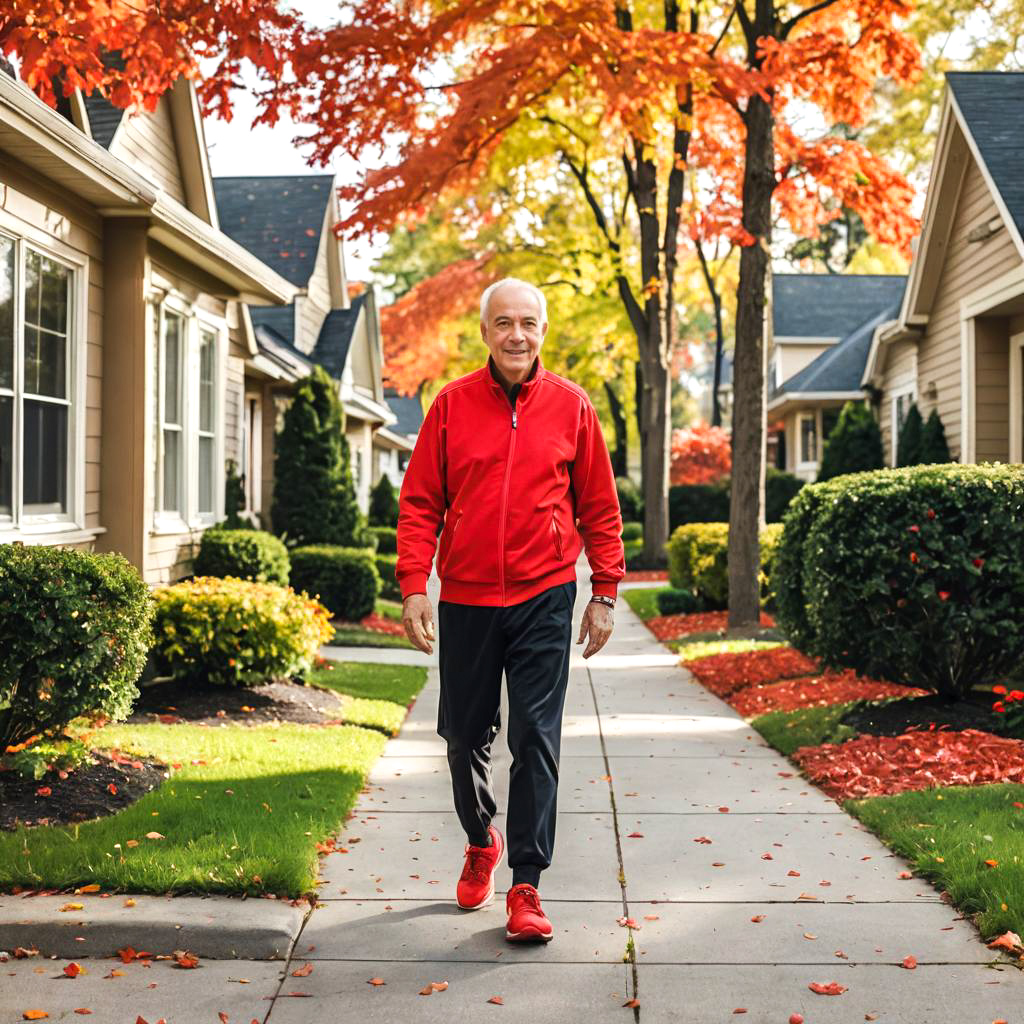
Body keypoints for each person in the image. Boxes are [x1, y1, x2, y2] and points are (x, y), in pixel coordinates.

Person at [395, 277, 625, 943]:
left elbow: (601, 511)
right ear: (485, 331)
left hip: (544, 596)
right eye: (503, 323)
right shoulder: (449, 406)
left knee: (535, 737)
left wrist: (603, 592)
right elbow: (420, 505)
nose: (516, 334)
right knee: (465, 736)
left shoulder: (573, 408)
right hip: (466, 597)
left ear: (543, 331)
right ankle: (480, 839)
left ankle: (527, 884)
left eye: (527, 322)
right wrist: (415, 585)